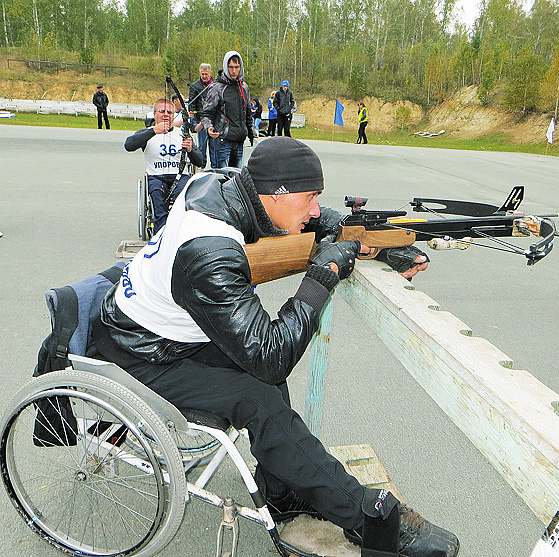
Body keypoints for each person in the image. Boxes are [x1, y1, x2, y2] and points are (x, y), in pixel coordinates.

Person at [93, 136, 457, 557]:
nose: (316, 209)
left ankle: (284, 495)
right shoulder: (209, 252)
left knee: (269, 393)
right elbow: (270, 357)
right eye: (310, 197)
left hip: (158, 329)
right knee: (260, 395)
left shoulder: (218, 185)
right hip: (143, 354)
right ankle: (371, 521)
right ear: (274, 194)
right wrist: (323, 275)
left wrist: (367, 241)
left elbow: (318, 221)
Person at [124, 98, 204, 234]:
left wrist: (190, 150)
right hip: (156, 177)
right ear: (155, 114)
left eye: (169, 112)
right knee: (156, 194)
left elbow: (200, 162)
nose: (166, 114)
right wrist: (154, 131)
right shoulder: (148, 133)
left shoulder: (182, 134)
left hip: (179, 176)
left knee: (183, 195)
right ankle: (160, 232)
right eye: (162, 111)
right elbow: (129, 145)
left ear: (173, 116)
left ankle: (179, 230)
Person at [200, 51, 256, 170]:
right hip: (222, 141)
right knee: (222, 177)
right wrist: (209, 127)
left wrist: (250, 132)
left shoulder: (244, 87)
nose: (234, 71)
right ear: (226, 67)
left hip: (240, 140)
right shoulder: (217, 88)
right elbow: (206, 113)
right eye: (231, 67)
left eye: (237, 67)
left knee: (237, 178)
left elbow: (247, 113)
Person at [188, 63, 215, 169]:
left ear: (210, 73)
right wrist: (194, 121)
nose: (204, 76)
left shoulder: (216, 85)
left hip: (214, 122)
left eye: (206, 74)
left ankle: (214, 168)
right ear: (200, 73)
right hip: (201, 122)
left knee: (214, 148)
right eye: (202, 74)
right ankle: (201, 167)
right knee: (201, 147)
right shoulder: (195, 86)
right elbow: (192, 104)